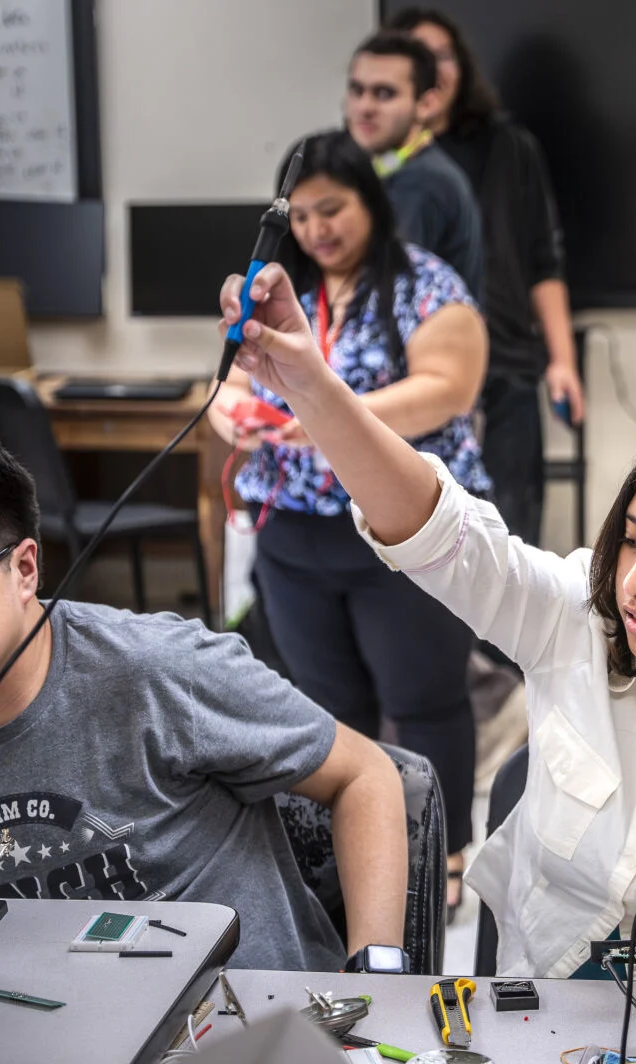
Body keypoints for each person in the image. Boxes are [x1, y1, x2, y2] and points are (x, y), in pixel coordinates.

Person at [217, 258, 636, 987]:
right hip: (539, 1014)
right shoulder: (579, 618)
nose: (634, 581)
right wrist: (311, 387)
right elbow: (441, 533)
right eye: (631, 538)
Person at [0, 428, 407, 973]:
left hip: (238, 1030)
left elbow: (366, 774)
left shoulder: (163, 671)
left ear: (23, 569)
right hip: (27, 1037)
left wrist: (378, 976)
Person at [210, 131, 488, 921]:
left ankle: (446, 853)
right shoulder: (278, 289)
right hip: (294, 531)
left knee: (425, 695)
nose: (315, 228)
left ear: (371, 201)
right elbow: (229, 383)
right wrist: (244, 418)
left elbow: (447, 387)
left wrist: (327, 411)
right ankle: (360, 854)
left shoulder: (425, 285)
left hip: (403, 533)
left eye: (332, 209)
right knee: (328, 704)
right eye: (299, 214)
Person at [390, 6, 585, 550]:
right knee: (424, 539)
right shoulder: (381, 164)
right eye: (415, 59)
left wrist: (562, 361)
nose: (432, 70)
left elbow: (544, 260)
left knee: (512, 535)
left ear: (462, 66)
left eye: (442, 56)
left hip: (507, 367)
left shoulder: (510, 147)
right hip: (414, 378)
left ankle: (503, 644)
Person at [343, 30, 485, 302]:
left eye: (384, 93)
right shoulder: (403, 170)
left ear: (426, 103)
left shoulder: (421, 183)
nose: (365, 106)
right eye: (357, 90)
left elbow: (386, 297)